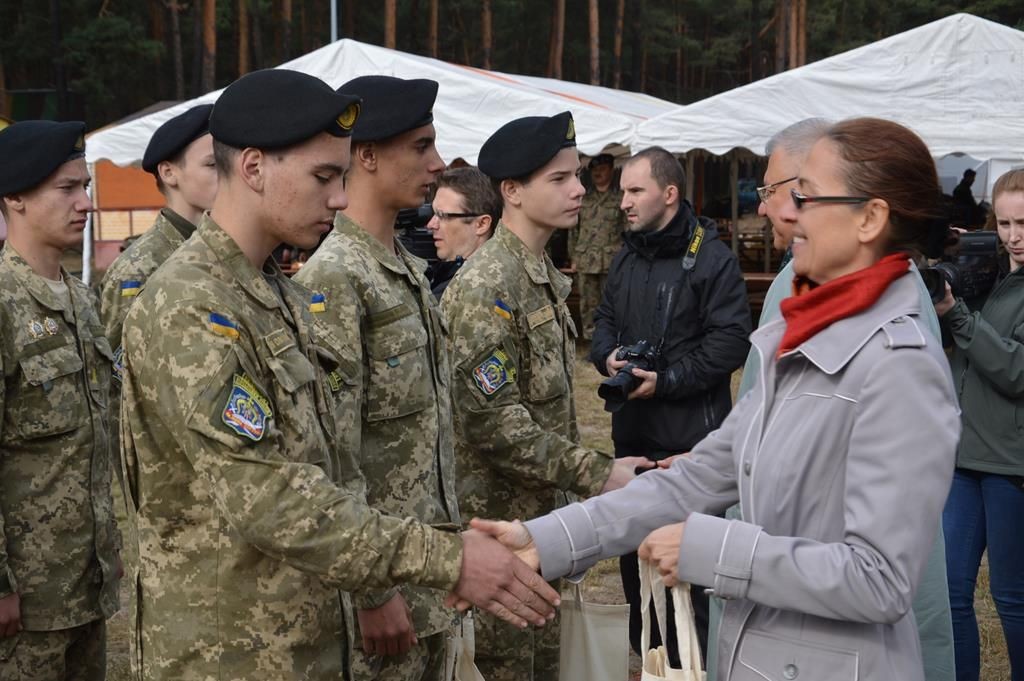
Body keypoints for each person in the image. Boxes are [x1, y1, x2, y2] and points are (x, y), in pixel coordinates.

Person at [478, 117, 962, 681]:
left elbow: (880, 581)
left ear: (870, 218)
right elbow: (698, 478)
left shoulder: (899, 365)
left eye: (805, 197)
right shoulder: (799, 336)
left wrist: (712, 549)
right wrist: (546, 539)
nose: (785, 213)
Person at [119, 69, 559, 681]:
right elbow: (268, 497)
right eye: (323, 177)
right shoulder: (191, 305)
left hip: (304, 640)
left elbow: (334, 461)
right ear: (253, 168)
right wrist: (448, 558)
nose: (339, 198)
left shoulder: (274, 293)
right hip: (229, 653)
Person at [719, 117, 956, 681]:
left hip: (823, 601)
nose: (768, 208)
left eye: (785, 191)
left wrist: (718, 544)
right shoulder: (854, 279)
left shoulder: (821, 291)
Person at [442, 112, 653, 681]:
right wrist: (600, 474)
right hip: (499, 535)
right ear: (512, 191)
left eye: (577, 175)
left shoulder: (535, 274)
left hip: (540, 528)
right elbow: (493, 424)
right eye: (560, 179)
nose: (579, 189)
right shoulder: (487, 286)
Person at [294, 74, 460, 681]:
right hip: (382, 592)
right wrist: (371, 589)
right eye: (420, 146)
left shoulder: (406, 268)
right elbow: (330, 453)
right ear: (365, 156)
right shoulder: (335, 278)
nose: (437, 164)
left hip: (428, 573)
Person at [591, 146, 751, 664]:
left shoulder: (713, 259)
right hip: (632, 445)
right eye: (622, 191)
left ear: (669, 193)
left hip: (690, 448)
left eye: (635, 191)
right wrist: (608, 357)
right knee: (636, 573)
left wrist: (666, 381)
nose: (623, 202)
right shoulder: (626, 255)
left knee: (690, 583)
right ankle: (650, 663)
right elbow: (603, 321)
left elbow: (731, 343)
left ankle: (696, 668)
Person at [0, 120, 121, 680]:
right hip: (25, 597)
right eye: (67, 188)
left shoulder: (80, 300)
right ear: (15, 198)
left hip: (85, 583)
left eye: (85, 186)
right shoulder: (5, 303)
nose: (86, 203)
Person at [98, 103, 217, 512]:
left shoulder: (222, 252)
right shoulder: (140, 268)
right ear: (170, 173)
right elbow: (118, 388)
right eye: (212, 164)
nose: (226, 175)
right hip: (170, 481)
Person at [936, 168, 1024, 681]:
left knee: (1012, 598)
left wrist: (959, 315)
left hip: (1013, 465)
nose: (1015, 236)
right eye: (1005, 223)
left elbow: (1017, 370)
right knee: (950, 593)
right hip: (963, 459)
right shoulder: (988, 274)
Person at [571, 152, 625, 339]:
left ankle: (611, 339)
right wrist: (574, 257)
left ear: (611, 170)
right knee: (588, 302)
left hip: (612, 261)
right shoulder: (584, 199)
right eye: (594, 170)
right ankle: (592, 340)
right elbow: (574, 230)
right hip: (586, 259)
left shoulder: (620, 199)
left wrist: (626, 259)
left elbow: (628, 231)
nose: (597, 173)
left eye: (602, 169)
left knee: (612, 301)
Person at [425, 166, 500, 298]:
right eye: (433, 213)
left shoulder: (474, 291)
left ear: (481, 224)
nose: (431, 225)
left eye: (442, 215)